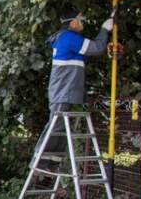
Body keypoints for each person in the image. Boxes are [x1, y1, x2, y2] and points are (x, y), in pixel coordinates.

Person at [45, 8, 113, 152]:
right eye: (81, 19)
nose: (84, 22)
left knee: (58, 128)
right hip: (62, 91)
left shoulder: (66, 38)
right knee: (55, 127)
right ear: (73, 22)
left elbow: (88, 55)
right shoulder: (69, 37)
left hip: (64, 91)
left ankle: (50, 162)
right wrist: (105, 30)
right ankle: (40, 162)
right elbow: (96, 47)